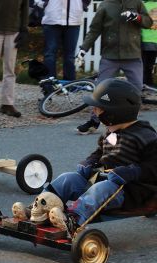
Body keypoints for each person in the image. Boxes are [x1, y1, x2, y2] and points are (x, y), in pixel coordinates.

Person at [23, 79, 157, 235]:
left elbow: (154, 166)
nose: (94, 111)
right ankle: (39, 209)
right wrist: (90, 161)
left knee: (102, 188)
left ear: (113, 113)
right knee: (69, 178)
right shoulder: (111, 132)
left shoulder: (145, 136)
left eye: (98, 108)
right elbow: (100, 152)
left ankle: (72, 220)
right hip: (105, 182)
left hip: (131, 192)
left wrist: (131, 171)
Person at [75, 0, 152, 134]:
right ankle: (94, 121)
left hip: (132, 55)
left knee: (136, 89)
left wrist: (137, 17)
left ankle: (131, 121)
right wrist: (83, 49)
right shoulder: (105, 5)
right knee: (101, 89)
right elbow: (94, 29)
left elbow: (148, 22)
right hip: (110, 56)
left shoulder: (137, 3)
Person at [35, 0, 90, 81]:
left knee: (70, 55)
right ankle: (50, 83)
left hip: (73, 19)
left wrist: (83, 4)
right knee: (49, 54)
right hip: (52, 18)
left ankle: (69, 83)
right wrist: (43, 4)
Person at [141, 0, 157, 87]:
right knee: (150, 64)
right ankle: (150, 83)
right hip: (155, 40)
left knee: (145, 65)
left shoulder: (143, 6)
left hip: (146, 40)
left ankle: (146, 84)